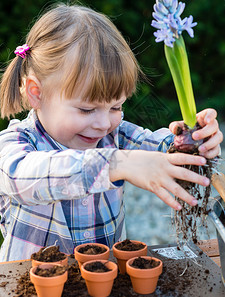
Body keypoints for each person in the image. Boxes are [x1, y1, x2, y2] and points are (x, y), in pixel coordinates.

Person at [0, 4, 223, 262]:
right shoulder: (15, 143)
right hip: (29, 287)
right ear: (36, 93)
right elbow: (21, 177)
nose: (104, 123)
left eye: (116, 106)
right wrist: (114, 164)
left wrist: (192, 142)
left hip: (105, 282)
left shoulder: (114, 135)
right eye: (86, 109)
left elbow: (159, 149)